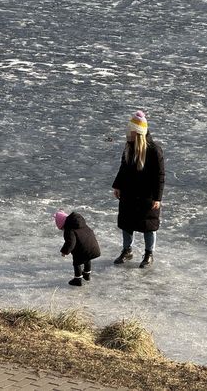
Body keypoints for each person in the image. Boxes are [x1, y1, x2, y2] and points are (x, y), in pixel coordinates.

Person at [111, 110, 165, 268]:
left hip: (147, 196)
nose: (128, 134)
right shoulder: (128, 147)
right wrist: (117, 185)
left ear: (138, 133)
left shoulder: (154, 150)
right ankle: (127, 250)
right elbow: (123, 168)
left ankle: (149, 254)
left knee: (149, 225)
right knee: (127, 223)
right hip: (129, 193)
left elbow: (160, 175)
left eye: (131, 131)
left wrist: (158, 198)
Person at [54, 210, 101, 286]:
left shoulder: (69, 229)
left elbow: (70, 243)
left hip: (83, 249)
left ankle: (78, 279)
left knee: (77, 262)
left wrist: (64, 251)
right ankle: (86, 274)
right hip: (93, 247)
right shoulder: (82, 224)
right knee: (87, 258)